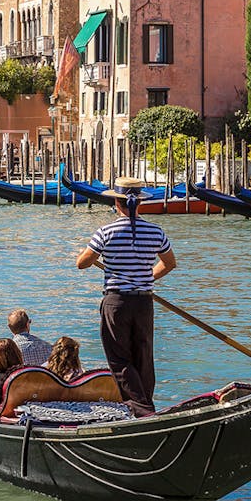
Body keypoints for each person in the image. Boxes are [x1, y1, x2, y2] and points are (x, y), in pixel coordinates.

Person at [76, 177, 177, 417]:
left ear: (116, 202)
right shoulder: (155, 231)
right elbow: (169, 263)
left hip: (116, 302)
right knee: (143, 355)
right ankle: (143, 405)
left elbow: (82, 263)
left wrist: (86, 253)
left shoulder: (106, 231)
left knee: (119, 358)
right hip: (143, 301)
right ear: (139, 202)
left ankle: (142, 409)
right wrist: (145, 278)